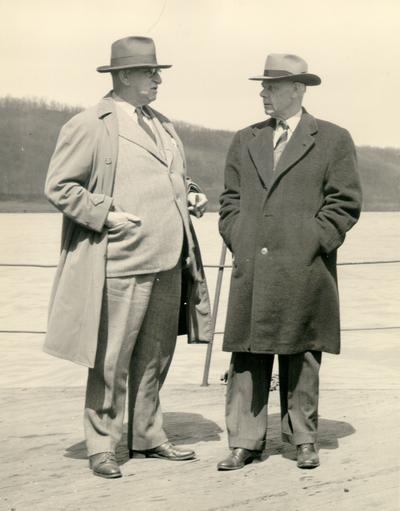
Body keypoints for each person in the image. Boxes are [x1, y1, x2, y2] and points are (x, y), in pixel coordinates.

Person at [43, 36, 212, 479]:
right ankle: (103, 444)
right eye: (150, 72)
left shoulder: (164, 124)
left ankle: (149, 436)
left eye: (158, 72)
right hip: (120, 260)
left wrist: (192, 195)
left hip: (169, 260)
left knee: (156, 356)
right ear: (122, 77)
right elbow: (60, 186)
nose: (158, 79)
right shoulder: (89, 125)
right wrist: (105, 215)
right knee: (111, 358)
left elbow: (174, 175)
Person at [217, 54, 362, 471]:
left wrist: (312, 242)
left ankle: (303, 439)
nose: (263, 93)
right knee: (247, 353)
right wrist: (237, 235)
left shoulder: (332, 138)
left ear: (298, 89)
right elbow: (229, 200)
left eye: (272, 87)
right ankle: (244, 441)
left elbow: (345, 203)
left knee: (302, 349)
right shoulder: (245, 139)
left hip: (304, 267)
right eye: (262, 86)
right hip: (253, 266)